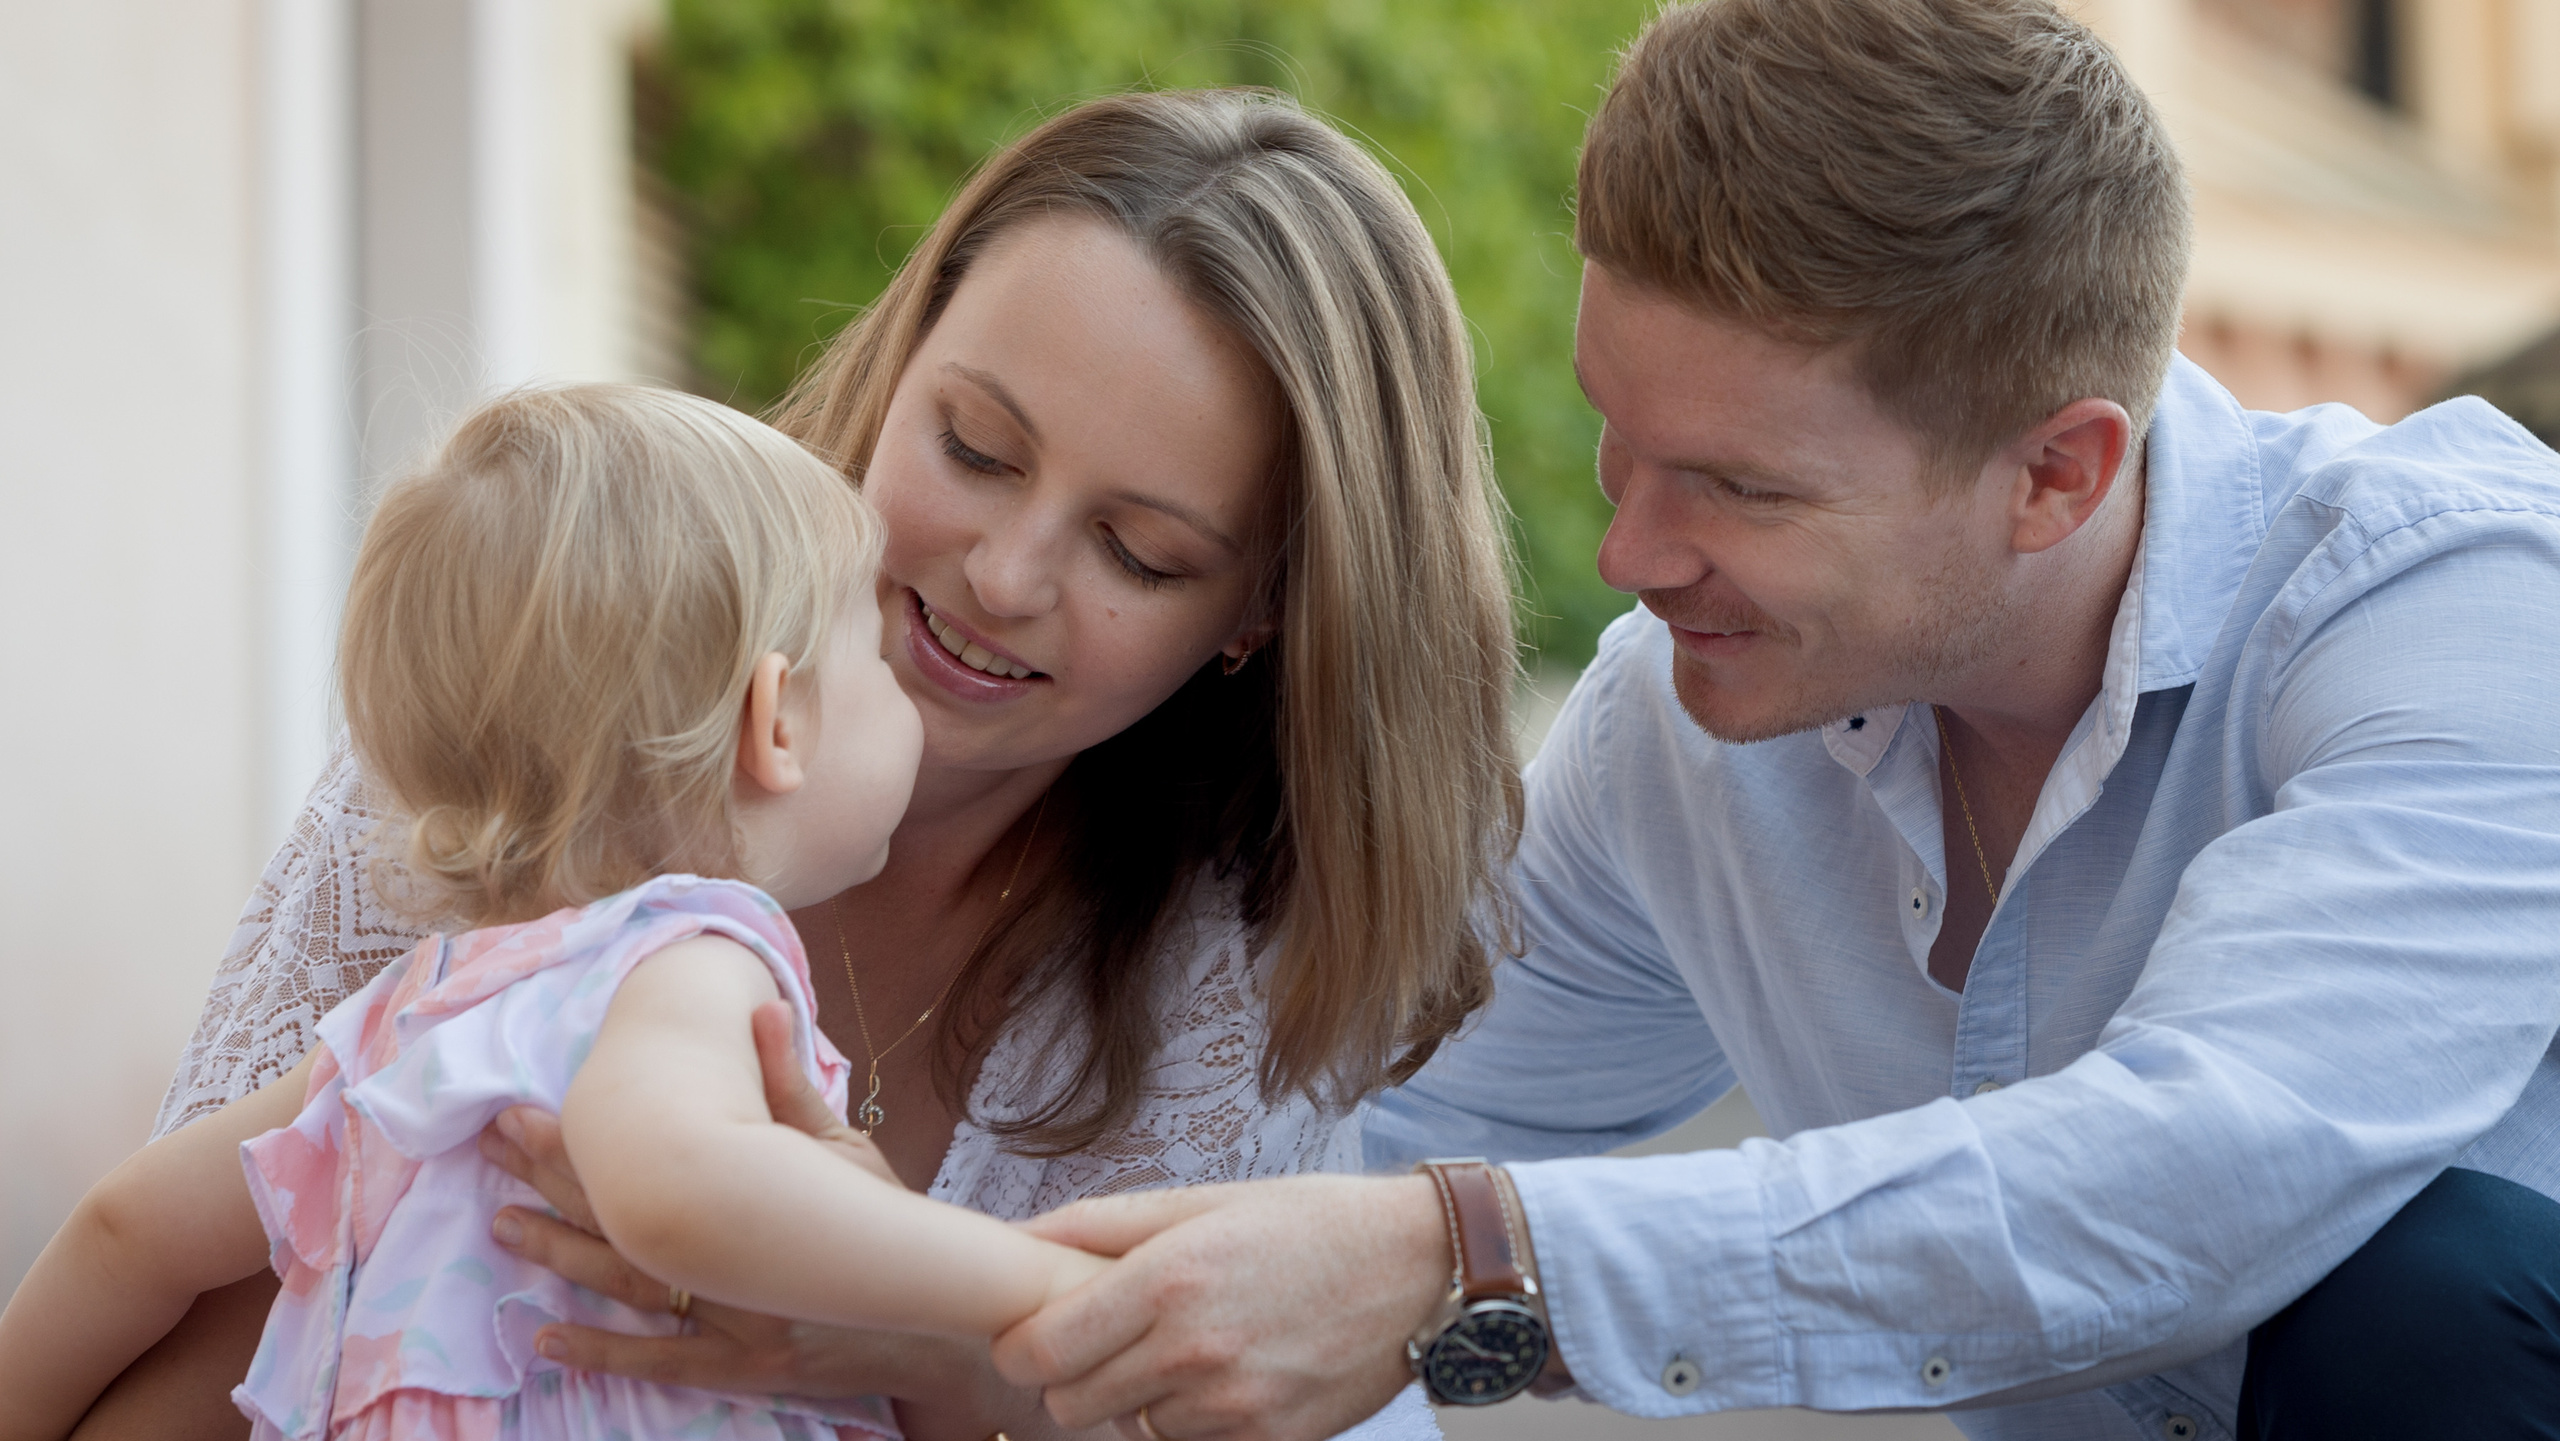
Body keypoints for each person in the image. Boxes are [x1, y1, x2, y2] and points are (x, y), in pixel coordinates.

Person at [988, 3, 2560, 1438]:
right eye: (1622, 440)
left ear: (2056, 473)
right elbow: (1319, 1119)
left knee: (2422, 1290)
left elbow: (2206, 1169)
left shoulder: (2463, 602)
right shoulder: (1683, 742)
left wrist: (1469, 1267)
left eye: (1740, 488)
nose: (1628, 556)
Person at [73, 89, 1520, 1441]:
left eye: (1140, 552)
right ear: (900, 371)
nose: (1004, 575)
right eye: (974, 445)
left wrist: (930, 1362)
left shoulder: (1234, 995)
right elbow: (176, 1286)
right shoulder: (523, 745)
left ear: (1263, 612)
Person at [0, 384, 1135, 1437]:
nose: (906, 692)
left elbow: (126, 1229)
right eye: (874, 654)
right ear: (776, 721)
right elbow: (680, 1185)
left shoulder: (412, 1015)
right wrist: (1041, 1285)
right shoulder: (684, 954)